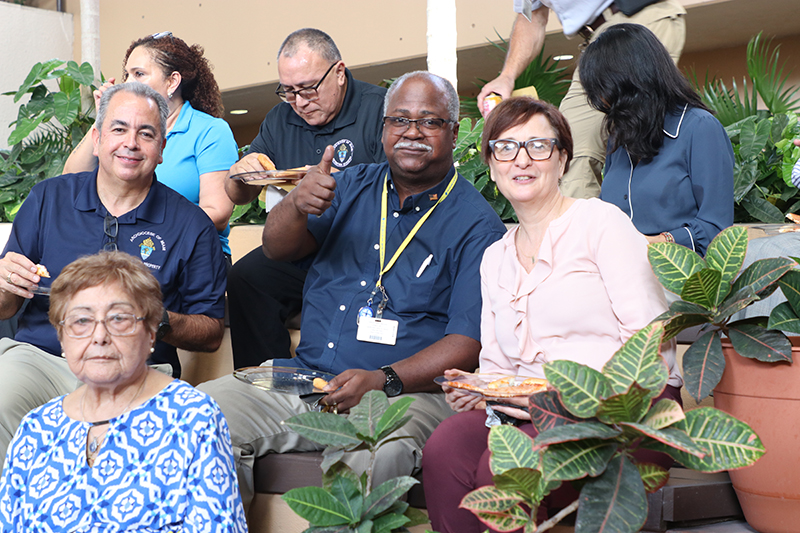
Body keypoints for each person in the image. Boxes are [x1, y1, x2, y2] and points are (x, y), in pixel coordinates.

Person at [198, 71, 507, 509]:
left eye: (430, 122)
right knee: (194, 414)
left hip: (406, 394)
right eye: (399, 120)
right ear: (383, 129)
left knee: (374, 454)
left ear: (454, 132)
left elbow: (466, 343)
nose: (412, 132)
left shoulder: (477, 226)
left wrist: (384, 380)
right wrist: (296, 203)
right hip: (306, 378)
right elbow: (278, 247)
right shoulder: (352, 185)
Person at [421, 97, 683, 533]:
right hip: (527, 415)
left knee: (504, 467)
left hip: (624, 415)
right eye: (505, 148)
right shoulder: (494, 257)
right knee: (445, 445)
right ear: (490, 165)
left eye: (538, 146)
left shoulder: (603, 224)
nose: (521, 160)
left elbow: (651, 345)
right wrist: (478, 391)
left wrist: (557, 398)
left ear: (562, 159)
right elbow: (498, 369)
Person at [0, 82, 226, 466]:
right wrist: (4, 282)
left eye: (146, 133)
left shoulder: (192, 225)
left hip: (138, 368)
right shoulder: (47, 199)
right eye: (119, 129)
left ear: (162, 147)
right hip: (43, 359)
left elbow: (211, 332)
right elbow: (5, 308)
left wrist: (156, 319)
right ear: (97, 137)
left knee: (133, 448)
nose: (131, 143)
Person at [0, 251, 246, 531]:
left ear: (152, 330)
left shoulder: (192, 417)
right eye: (81, 321)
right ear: (61, 335)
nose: (100, 336)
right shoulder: (36, 428)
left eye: (119, 319)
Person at [225, 28, 388, 368]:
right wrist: (242, 173)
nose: (299, 102)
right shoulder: (279, 120)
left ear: (339, 73)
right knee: (246, 278)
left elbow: (397, 186)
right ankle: (265, 390)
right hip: (301, 247)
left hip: (365, 249)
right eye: (289, 91)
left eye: (309, 89)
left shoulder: (379, 110)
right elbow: (238, 195)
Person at [477, 0, 686, 200]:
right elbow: (532, 16)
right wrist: (506, 76)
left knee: (589, 143)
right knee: (581, 144)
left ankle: (582, 234)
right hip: (600, 37)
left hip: (637, 20)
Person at [64, 31, 238, 260]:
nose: (127, 83)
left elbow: (218, 213)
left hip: (189, 255)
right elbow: (69, 183)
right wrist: (103, 119)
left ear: (172, 82)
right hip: (119, 252)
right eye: (126, 75)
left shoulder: (210, 131)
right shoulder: (120, 132)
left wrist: (139, 227)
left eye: (139, 74)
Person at [580, 24, 734, 255]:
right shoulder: (619, 137)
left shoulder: (699, 128)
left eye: (605, 90)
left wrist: (650, 243)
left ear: (634, 82)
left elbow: (716, 228)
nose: (602, 102)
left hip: (682, 279)